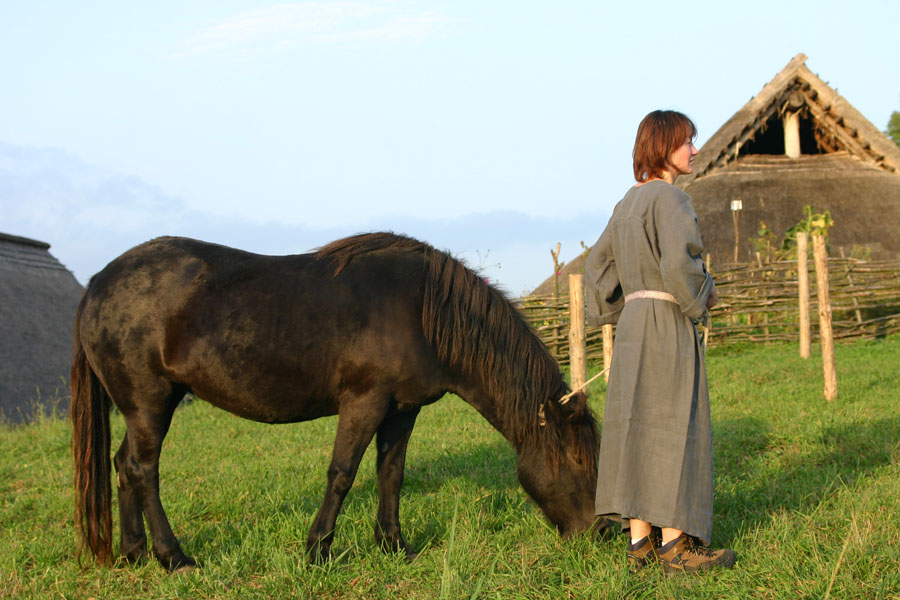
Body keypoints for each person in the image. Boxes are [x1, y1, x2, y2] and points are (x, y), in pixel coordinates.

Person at [585, 110, 735, 574]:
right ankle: (676, 546)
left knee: (635, 425)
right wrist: (701, 295)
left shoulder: (625, 205)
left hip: (633, 324)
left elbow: (596, 268)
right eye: (686, 142)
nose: (694, 149)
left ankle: (639, 545)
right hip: (667, 319)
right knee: (674, 424)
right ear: (663, 147)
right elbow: (680, 266)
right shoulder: (672, 200)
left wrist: (620, 310)